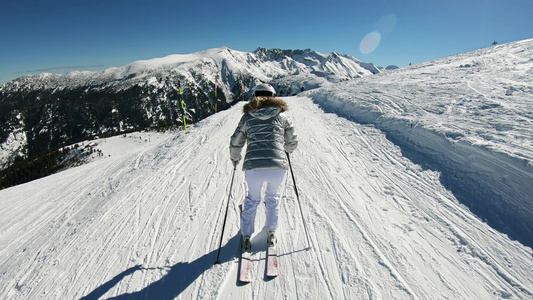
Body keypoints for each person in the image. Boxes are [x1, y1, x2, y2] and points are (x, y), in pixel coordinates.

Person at [229, 83, 298, 250]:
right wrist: (287, 150)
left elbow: (236, 141)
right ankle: (272, 232)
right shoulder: (283, 116)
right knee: (272, 197)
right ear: (273, 96)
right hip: (277, 166)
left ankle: (246, 236)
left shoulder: (247, 117)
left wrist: (235, 158)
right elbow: (292, 141)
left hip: (253, 167)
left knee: (252, 199)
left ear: (255, 96)